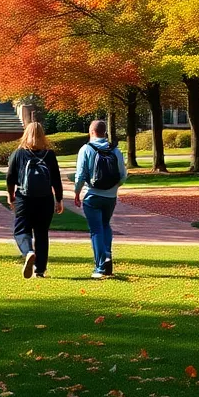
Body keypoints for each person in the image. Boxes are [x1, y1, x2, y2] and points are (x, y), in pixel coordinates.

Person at [5, 122, 64, 278]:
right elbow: (56, 180)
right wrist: (59, 200)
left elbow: (10, 177)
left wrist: (10, 195)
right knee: (42, 233)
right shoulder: (49, 154)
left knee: (21, 230)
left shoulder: (18, 154)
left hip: (24, 198)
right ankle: (40, 270)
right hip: (45, 199)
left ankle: (28, 251)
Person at [73, 119, 128, 279]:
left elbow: (81, 175)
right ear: (105, 133)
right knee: (105, 225)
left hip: (92, 195)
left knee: (96, 229)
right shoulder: (115, 150)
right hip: (110, 197)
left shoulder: (86, 149)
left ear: (91, 132)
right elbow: (123, 175)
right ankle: (108, 254)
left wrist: (77, 193)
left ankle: (100, 267)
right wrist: (114, 188)